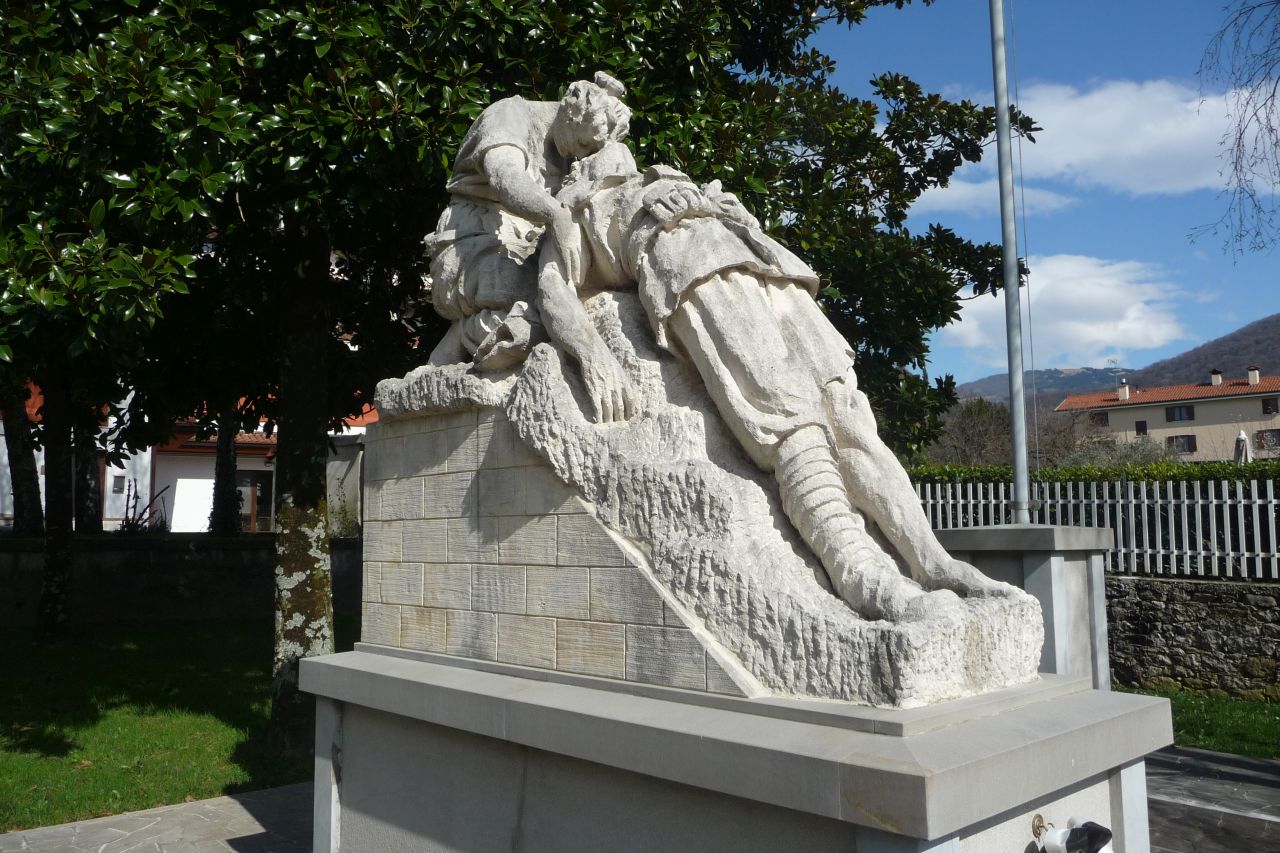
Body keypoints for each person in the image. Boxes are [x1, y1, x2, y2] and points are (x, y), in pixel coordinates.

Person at [535, 141, 1012, 622]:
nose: (606, 127)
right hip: (691, 272)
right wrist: (594, 354)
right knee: (790, 420)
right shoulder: (572, 207)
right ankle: (863, 576)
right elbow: (552, 288)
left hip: (769, 266)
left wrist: (730, 210)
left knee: (849, 415)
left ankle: (933, 562)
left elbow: (742, 219)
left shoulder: (665, 171)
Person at [425, 72, 630, 372]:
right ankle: (460, 338)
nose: (581, 155)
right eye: (584, 144)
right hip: (471, 243)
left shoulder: (571, 148)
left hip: (533, 246)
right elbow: (505, 178)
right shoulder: (510, 114)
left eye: (591, 151)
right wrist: (556, 214)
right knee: (539, 298)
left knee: (574, 299)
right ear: (570, 110)